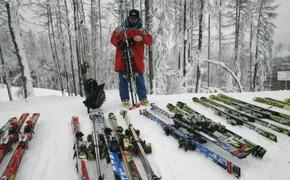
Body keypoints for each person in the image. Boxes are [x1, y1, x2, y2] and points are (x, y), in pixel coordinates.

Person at [110, 9, 153, 107]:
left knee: (140, 80)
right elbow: (113, 39)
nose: (132, 20)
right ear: (128, 17)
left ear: (138, 19)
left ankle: (143, 99)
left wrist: (142, 38)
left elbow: (150, 40)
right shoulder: (121, 28)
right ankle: (125, 99)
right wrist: (120, 43)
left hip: (137, 59)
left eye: (135, 18)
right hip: (123, 59)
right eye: (131, 18)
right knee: (123, 80)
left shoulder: (142, 30)